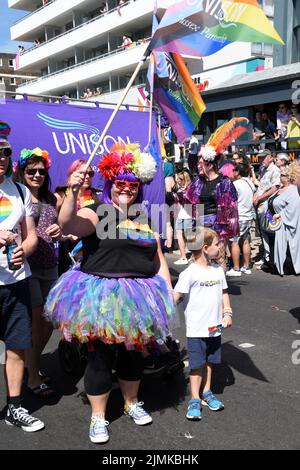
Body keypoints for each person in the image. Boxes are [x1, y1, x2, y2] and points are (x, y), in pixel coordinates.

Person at [44, 143, 174, 444]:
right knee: (99, 358)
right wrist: (74, 193)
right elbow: (67, 223)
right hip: (101, 296)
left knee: (133, 353)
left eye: (132, 185)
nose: (126, 189)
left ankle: (130, 403)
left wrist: (168, 289)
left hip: (139, 295)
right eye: (120, 184)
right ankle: (98, 417)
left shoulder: (143, 215)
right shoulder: (96, 211)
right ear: (111, 185)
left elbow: (157, 257)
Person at [0, 122, 44, 432]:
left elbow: (31, 237)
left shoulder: (18, 190)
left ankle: (15, 407)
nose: (1, 157)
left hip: (16, 282)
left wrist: (24, 251)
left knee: (16, 347)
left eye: (5, 152)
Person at [14, 147, 61, 397]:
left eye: (42, 171)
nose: (37, 175)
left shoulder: (51, 199)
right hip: (28, 267)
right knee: (34, 321)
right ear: (22, 172)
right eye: (31, 170)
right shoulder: (17, 196)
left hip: (51, 265)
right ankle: (32, 377)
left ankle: (32, 361)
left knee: (49, 321)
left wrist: (59, 231)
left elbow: (60, 227)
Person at [174, 227, 232, 420]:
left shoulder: (218, 271)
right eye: (217, 244)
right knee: (197, 365)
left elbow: (224, 292)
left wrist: (228, 313)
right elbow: (176, 296)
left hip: (215, 327)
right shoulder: (189, 273)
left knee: (210, 361)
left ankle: (207, 392)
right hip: (196, 329)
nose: (220, 247)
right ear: (206, 248)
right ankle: (195, 398)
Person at [185, 118, 246, 270]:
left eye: (201, 164)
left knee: (218, 263)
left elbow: (231, 208)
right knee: (198, 262)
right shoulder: (197, 181)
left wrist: (224, 233)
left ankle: (220, 291)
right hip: (199, 226)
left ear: (210, 164)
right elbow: (189, 202)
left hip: (217, 227)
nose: (198, 166)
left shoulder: (224, 182)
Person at [55, 159, 99, 274]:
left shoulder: (96, 197)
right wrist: (67, 235)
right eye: (83, 173)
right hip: (67, 253)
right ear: (72, 174)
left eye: (90, 174)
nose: (87, 176)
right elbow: (51, 225)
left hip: (88, 254)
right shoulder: (61, 196)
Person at [253, 149, 281, 269]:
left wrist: (260, 197)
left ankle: (271, 258)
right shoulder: (262, 169)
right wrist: (255, 196)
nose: (261, 159)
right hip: (260, 206)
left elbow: (275, 188)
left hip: (267, 207)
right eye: (259, 157)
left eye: (263, 157)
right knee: (262, 231)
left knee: (270, 230)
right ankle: (266, 256)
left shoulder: (274, 170)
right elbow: (260, 185)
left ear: (270, 157)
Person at [226, 163, 255, 276]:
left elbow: (229, 200)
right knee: (246, 241)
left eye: (234, 171)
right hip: (248, 216)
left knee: (235, 242)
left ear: (237, 172)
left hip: (238, 216)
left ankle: (236, 268)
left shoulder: (235, 184)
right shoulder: (250, 183)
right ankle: (246, 266)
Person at [272, 162, 300, 275]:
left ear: (289, 177)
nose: (280, 176)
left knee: (290, 246)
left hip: (286, 224)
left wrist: (280, 215)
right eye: (280, 174)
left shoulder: (293, 190)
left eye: (283, 174)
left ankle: (291, 267)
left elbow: (294, 208)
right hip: (276, 223)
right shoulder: (280, 189)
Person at [173, 169, 192, 265]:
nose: (177, 180)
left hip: (183, 215)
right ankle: (191, 256)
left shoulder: (181, 191)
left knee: (181, 235)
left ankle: (184, 257)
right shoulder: (191, 189)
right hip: (188, 215)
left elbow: (178, 204)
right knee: (188, 236)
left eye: (179, 179)